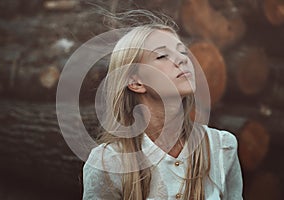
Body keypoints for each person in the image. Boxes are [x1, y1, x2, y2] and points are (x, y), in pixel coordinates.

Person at [82, 10, 243, 200]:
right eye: (162, 56)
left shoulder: (223, 147)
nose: (183, 59)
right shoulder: (107, 162)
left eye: (183, 51)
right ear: (135, 82)